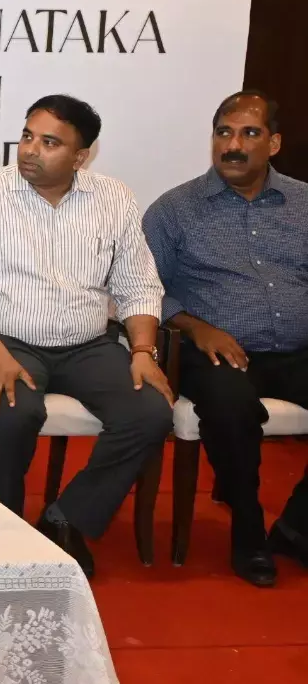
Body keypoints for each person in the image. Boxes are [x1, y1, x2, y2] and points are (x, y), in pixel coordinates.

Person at [0, 94, 173, 578]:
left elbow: (139, 285)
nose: (30, 150)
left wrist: (143, 350)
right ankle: (6, 526)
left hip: (89, 345)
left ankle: (66, 518)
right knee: (15, 411)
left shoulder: (114, 198)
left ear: (80, 156)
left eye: (49, 143)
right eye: (27, 136)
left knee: (150, 412)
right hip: (7, 341)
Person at [143, 90, 308, 586]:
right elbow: (142, 288)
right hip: (215, 352)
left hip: (298, 350)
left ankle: (297, 526)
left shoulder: (303, 203)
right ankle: (249, 532)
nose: (233, 145)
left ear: (273, 143)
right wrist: (196, 326)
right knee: (231, 408)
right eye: (224, 133)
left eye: (249, 133)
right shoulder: (175, 209)